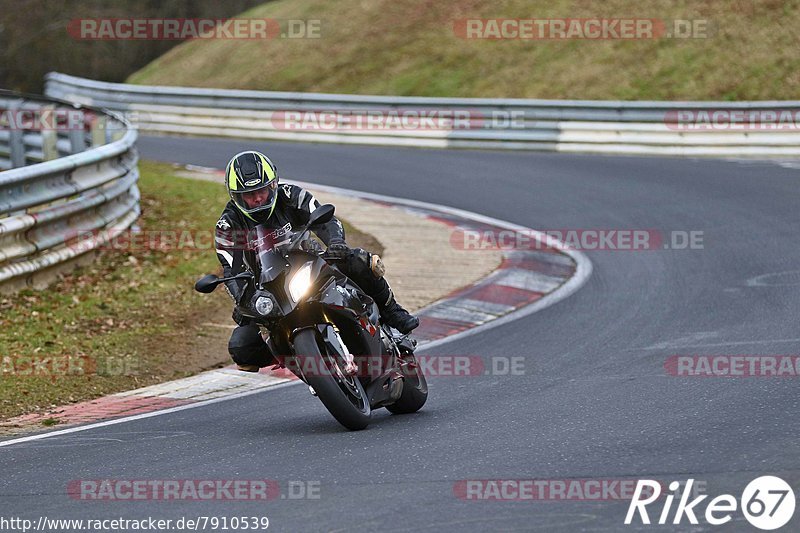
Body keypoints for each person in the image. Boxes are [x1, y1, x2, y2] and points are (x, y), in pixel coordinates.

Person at [214, 150, 419, 371]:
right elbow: (231, 270)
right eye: (249, 194)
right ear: (236, 196)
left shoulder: (291, 195)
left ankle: (392, 311)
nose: (257, 199)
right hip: (269, 289)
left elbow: (325, 220)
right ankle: (293, 357)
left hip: (312, 263)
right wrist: (246, 299)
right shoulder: (228, 226)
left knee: (359, 260)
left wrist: (336, 243)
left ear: (272, 185)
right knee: (241, 348)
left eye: (261, 191)